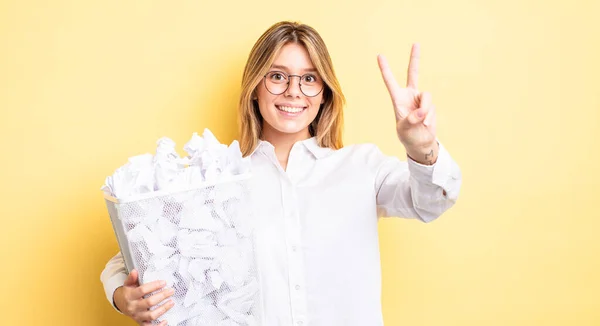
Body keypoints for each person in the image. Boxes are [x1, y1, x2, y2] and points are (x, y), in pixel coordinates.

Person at [100, 21, 462, 326]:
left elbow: (429, 202)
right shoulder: (218, 179)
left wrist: (421, 147)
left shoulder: (362, 167)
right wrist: (123, 295)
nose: (293, 92)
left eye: (309, 79)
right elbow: (129, 254)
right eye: (277, 76)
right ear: (255, 88)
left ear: (324, 94)